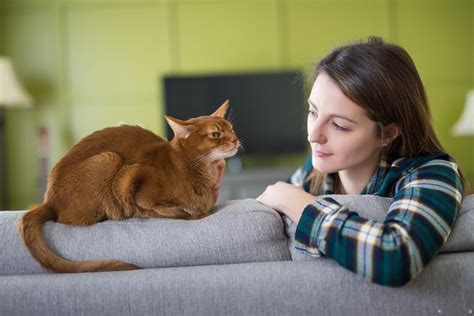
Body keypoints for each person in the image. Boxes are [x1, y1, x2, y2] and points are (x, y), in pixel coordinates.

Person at [219, 37, 468, 287]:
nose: (313, 135)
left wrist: (302, 205)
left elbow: (396, 258)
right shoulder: (314, 170)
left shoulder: (434, 172)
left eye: (339, 125)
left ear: (389, 133)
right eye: (312, 112)